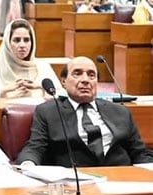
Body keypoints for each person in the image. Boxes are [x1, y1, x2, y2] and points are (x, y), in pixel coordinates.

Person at [17, 56, 153, 167]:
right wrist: (28, 164)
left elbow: (140, 153)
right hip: (75, 183)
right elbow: (35, 147)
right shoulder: (48, 112)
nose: (85, 80)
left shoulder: (120, 112)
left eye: (91, 75)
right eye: (77, 74)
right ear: (63, 81)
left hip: (122, 181)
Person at [0, 19, 62, 101]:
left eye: (26, 40)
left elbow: (60, 98)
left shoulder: (43, 67)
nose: (22, 45)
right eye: (17, 40)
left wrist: (41, 88)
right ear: (8, 43)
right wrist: (2, 92)